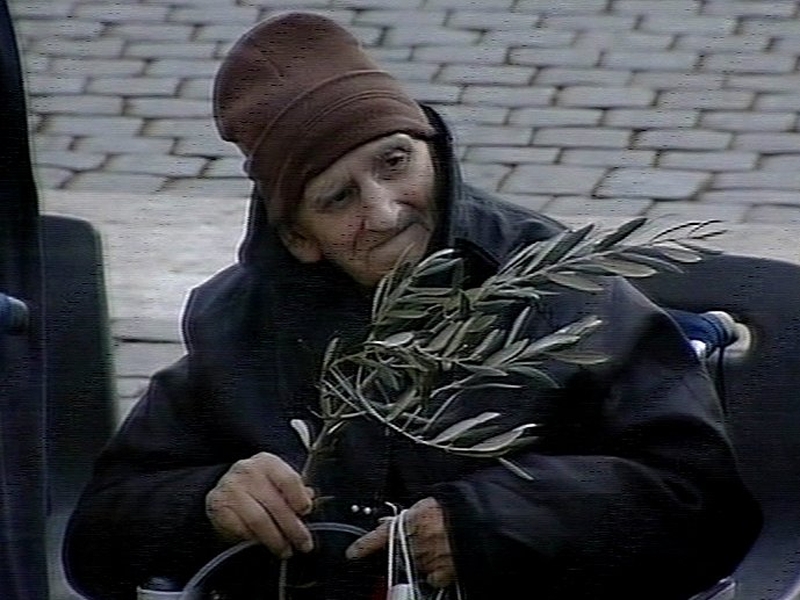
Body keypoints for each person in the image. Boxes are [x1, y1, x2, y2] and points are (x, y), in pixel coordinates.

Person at [63, 12, 760, 600]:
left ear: (431, 149)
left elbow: (704, 506)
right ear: (300, 238)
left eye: (395, 162)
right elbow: (96, 537)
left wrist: (490, 523)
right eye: (339, 198)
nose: (387, 209)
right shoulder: (240, 325)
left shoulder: (561, 290)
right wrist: (207, 503)